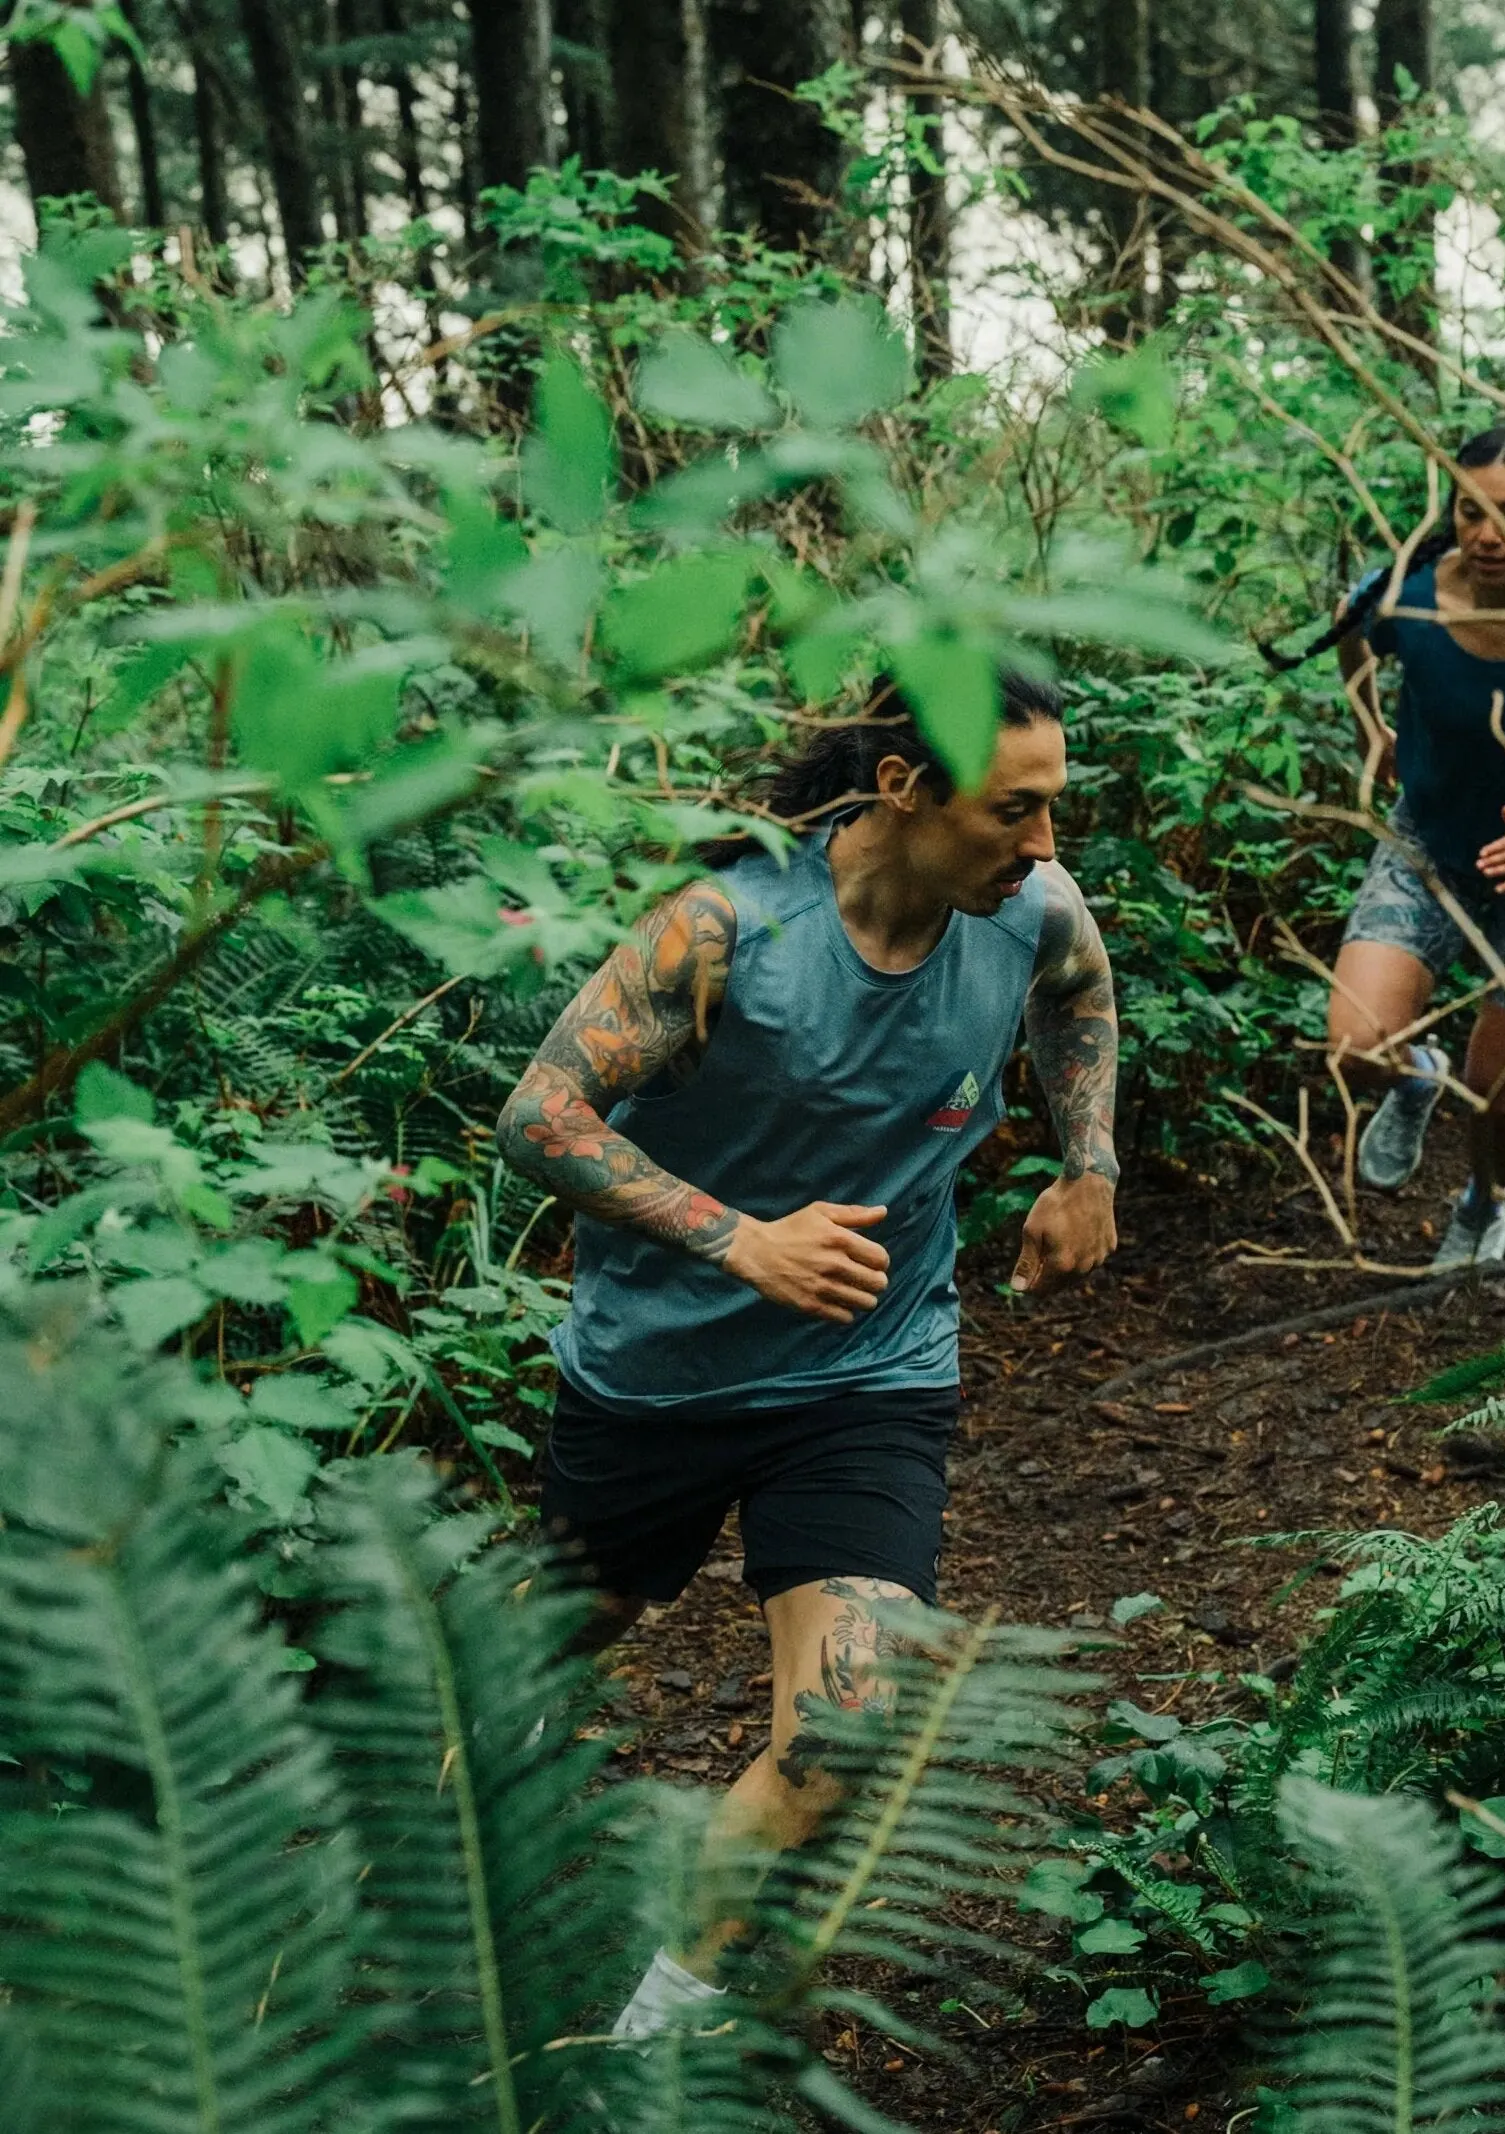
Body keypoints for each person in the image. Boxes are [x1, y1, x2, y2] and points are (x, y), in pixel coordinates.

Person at [495, 667, 1120, 2037]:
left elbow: (1076, 990)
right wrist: (739, 1239)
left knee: (841, 1730)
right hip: (653, 1380)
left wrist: (1088, 1164)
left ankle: (645, 2039)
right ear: (900, 787)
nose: (1041, 847)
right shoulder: (725, 929)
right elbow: (539, 1113)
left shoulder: (1030, 911)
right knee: (542, 1664)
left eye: (1051, 811)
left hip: (865, 1381)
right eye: (1011, 813)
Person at [1264, 426, 1505, 1269]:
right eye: (1470, 511)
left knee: (1495, 1102)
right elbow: (1348, 629)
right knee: (1354, 1048)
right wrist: (1372, 729)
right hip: (1428, 850)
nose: (1486, 533)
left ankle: (1484, 1206)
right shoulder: (1406, 597)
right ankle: (1414, 1076)